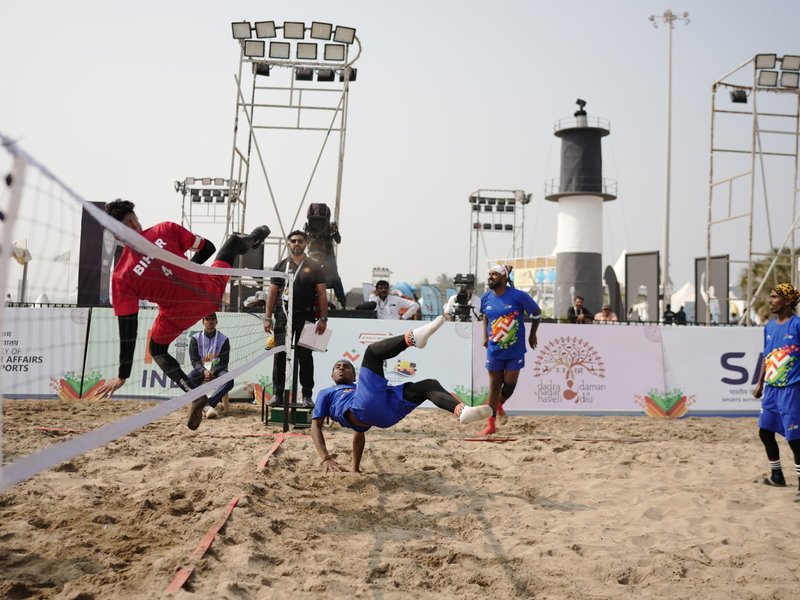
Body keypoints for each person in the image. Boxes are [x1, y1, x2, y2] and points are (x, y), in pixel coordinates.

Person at [95, 199, 270, 431]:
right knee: (234, 242)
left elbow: (128, 327)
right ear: (134, 219)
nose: (135, 224)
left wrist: (123, 374)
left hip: (178, 314)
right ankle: (256, 236)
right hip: (208, 290)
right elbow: (207, 247)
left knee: (157, 349)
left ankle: (194, 394)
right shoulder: (164, 229)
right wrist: (192, 269)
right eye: (131, 221)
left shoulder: (121, 276)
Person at [310, 316, 492, 473]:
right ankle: (412, 338)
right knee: (372, 352)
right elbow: (315, 426)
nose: (341, 368)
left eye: (346, 366)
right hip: (367, 411)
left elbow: (360, 432)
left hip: (385, 413)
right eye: (337, 367)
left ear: (354, 374)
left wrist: (355, 468)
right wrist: (325, 458)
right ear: (331, 375)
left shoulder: (360, 387)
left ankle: (461, 411)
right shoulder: (326, 392)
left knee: (429, 385)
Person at [263, 230, 328, 409]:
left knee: (306, 355)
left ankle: (307, 395)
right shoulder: (280, 266)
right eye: (293, 241)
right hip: (283, 315)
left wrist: (323, 318)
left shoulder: (315, 267)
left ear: (306, 243)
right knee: (279, 353)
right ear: (288, 243)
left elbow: (322, 294)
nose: (296, 244)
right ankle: (277, 394)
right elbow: (272, 293)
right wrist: (268, 317)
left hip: (306, 315)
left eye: (300, 240)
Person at [478, 264, 542, 435]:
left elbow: (537, 313)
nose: (490, 277)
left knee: (509, 386)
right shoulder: (485, 298)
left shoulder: (518, 296)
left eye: (494, 274)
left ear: (504, 277)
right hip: (494, 349)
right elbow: (485, 315)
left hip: (515, 349)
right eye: (489, 274)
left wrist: (532, 335)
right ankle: (490, 425)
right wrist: (485, 335)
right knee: (494, 385)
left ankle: (499, 405)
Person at [752, 283, 800, 502]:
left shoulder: (797, 325)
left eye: (774, 297)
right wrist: (760, 383)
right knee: (764, 431)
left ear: (788, 301)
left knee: (795, 438)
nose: (770, 300)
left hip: (791, 389)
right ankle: (777, 475)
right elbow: (767, 356)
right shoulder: (769, 327)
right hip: (771, 389)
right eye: (770, 297)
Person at [187, 313, 233, 420]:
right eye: (207, 319)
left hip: (218, 370)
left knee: (229, 380)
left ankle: (207, 404)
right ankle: (204, 405)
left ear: (217, 322)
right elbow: (194, 361)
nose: (210, 322)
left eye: (213, 319)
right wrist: (204, 371)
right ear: (203, 321)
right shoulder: (195, 338)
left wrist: (213, 371)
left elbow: (224, 361)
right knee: (189, 379)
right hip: (201, 370)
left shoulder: (224, 339)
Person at [305, 203, 347, 310]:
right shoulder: (308, 226)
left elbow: (338, 240)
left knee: (334, 278)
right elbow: (304, 240)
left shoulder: (331, 226)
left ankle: (343, 303)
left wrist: (334, 231)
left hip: (327, 254)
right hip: (314, 253)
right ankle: (309, 303)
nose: (318, 223)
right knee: (311, 278)